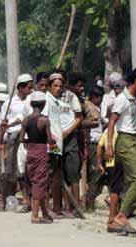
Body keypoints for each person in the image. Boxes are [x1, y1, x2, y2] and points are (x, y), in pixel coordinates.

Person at [106, 66, 136, 230]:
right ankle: (122, 215)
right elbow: (112, 122)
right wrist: (109, 145)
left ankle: (118, 217)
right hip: (126, 141)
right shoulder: (122, 99)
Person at [0, 74, 33, 212]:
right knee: (7, 171)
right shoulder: (9, 102)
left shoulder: (31, 100)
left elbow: (23, 119)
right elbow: (2, 123)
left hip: (27, 139)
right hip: (12, 139)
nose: (31, 90)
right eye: (29, 87)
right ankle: (3, 201)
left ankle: (26, 201)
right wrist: (0, 141)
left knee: (23, 172)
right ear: (20, 87)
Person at [20, 91, 55, 223]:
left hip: (30, 152)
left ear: (31, 104)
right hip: (41, 152)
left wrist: (29, 145)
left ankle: (44, 213)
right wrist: (53, 142)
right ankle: (35, 215)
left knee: (35, 180)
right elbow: (50, 139)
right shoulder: (44, 120)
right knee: (40, 183)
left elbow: (21, 139)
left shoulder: (26, 120)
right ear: (44, 104)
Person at [59, 72, 83, 217]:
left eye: (61, 81)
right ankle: (65, 206)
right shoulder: (50, 96)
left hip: (70, 140)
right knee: (59, 174)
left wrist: (67, 132)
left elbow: (79, 118)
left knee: (73, 175)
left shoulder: (71, 97)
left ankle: (76, 207)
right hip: (55, 139)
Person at [42, 73, 64, 218]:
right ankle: (45, 207)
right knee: (48, 174)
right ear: (49, 87)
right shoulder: (47, 100)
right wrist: (49, 139)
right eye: (55, 86)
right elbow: (44, 120)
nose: (58, 89)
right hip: (51, 143)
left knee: (55, 173)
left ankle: (55, 207)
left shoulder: (56, 101)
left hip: (57, 143)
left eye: (60, 86)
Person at [96, 127, 123, 232]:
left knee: (114, 189)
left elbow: (99, 146)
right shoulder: (121, 129)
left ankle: (114, 214)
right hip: (118, 163)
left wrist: (99, 163)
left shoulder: (108, 129)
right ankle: (112, 218)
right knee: (117, 190)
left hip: (109, 164)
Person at [83, 86, 106, 209]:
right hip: (92, 144)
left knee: (99, 173)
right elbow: (87, 128)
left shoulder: (97, 108)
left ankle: (91, 200)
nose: (100, 100)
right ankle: (89, 204)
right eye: (98, 97)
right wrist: (86, 146)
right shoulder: (88, 107)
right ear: (93, 97)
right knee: (95, 173)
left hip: (99, 144)